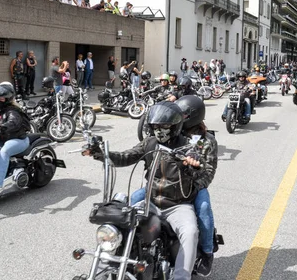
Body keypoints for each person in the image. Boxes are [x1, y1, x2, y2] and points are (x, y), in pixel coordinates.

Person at [83, 102, 206, 280]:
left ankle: (181, 277)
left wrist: (192, 164)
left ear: (175, 127)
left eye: (164, 127)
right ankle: (104, 269)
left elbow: (199, 167)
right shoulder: (149, 143)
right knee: (120, 224)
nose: (159, 131)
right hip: (151, 201)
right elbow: (125, 156)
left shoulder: (188, 146)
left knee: (190, 232)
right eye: (155, 127)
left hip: (177, 205)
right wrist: (100, 154)